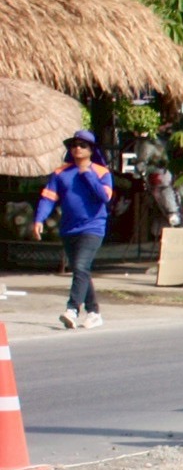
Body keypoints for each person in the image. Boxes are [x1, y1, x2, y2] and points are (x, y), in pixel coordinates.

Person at [36, 128, 112, 329]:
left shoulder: (102, 173)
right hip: (69, 229)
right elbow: (48, 198)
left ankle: (72, 309)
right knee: (82, 270)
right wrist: (39, 219)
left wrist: (87, 174)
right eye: (74, 145)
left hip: (93, 228)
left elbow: (104, 197)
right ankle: (94, 312)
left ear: (91, 150)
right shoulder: (60, 173)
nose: (77, 148)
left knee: (79, 266)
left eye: (82, 145)